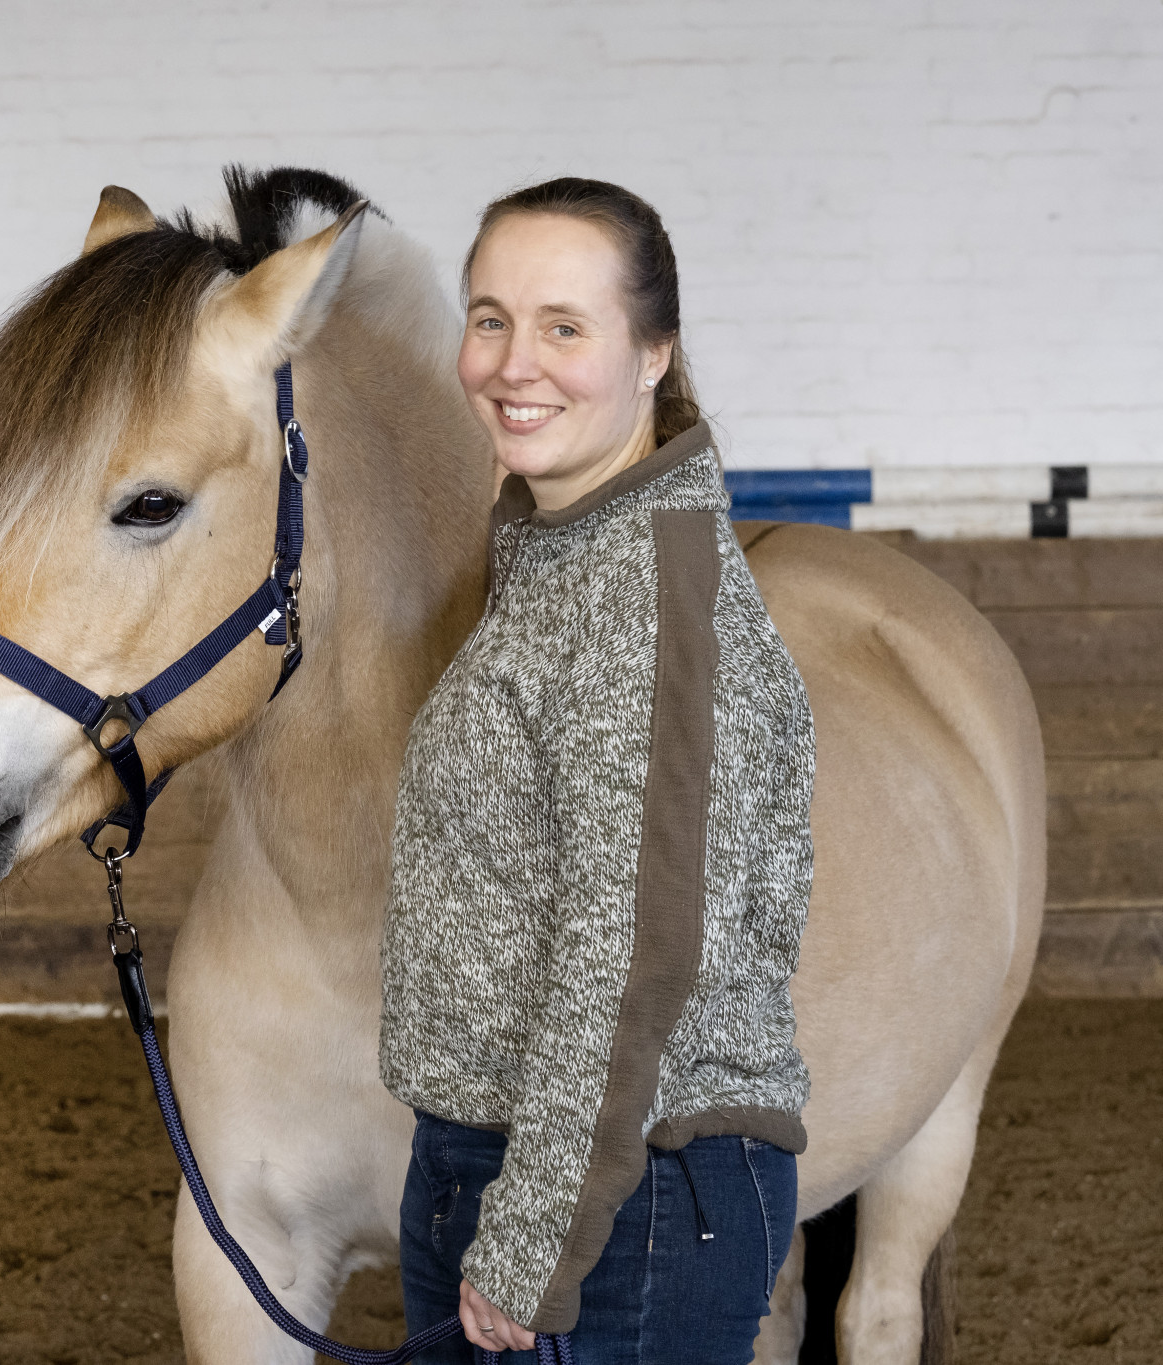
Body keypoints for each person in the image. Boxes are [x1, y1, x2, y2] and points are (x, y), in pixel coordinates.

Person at [379, 179, 814, 1362]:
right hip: (503, 1161)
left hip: (630, 1203)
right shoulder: (553, 553)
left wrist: (532, 1244)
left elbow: (631, 955)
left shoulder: (642, 592)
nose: (514, 363)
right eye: (488, 318)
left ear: (651, 353)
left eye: (564, 327)